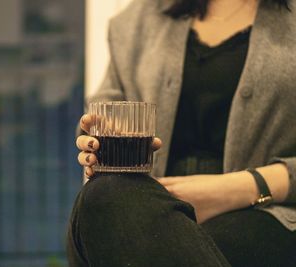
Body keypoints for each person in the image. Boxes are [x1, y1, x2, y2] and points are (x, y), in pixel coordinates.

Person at [67, 0, 296, 266]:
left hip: (264, 213)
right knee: (104, 194)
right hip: (143, 206)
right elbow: (99, 116)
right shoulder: (138, 19)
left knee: (192, 243)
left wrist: (242, 187)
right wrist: (94, 139)